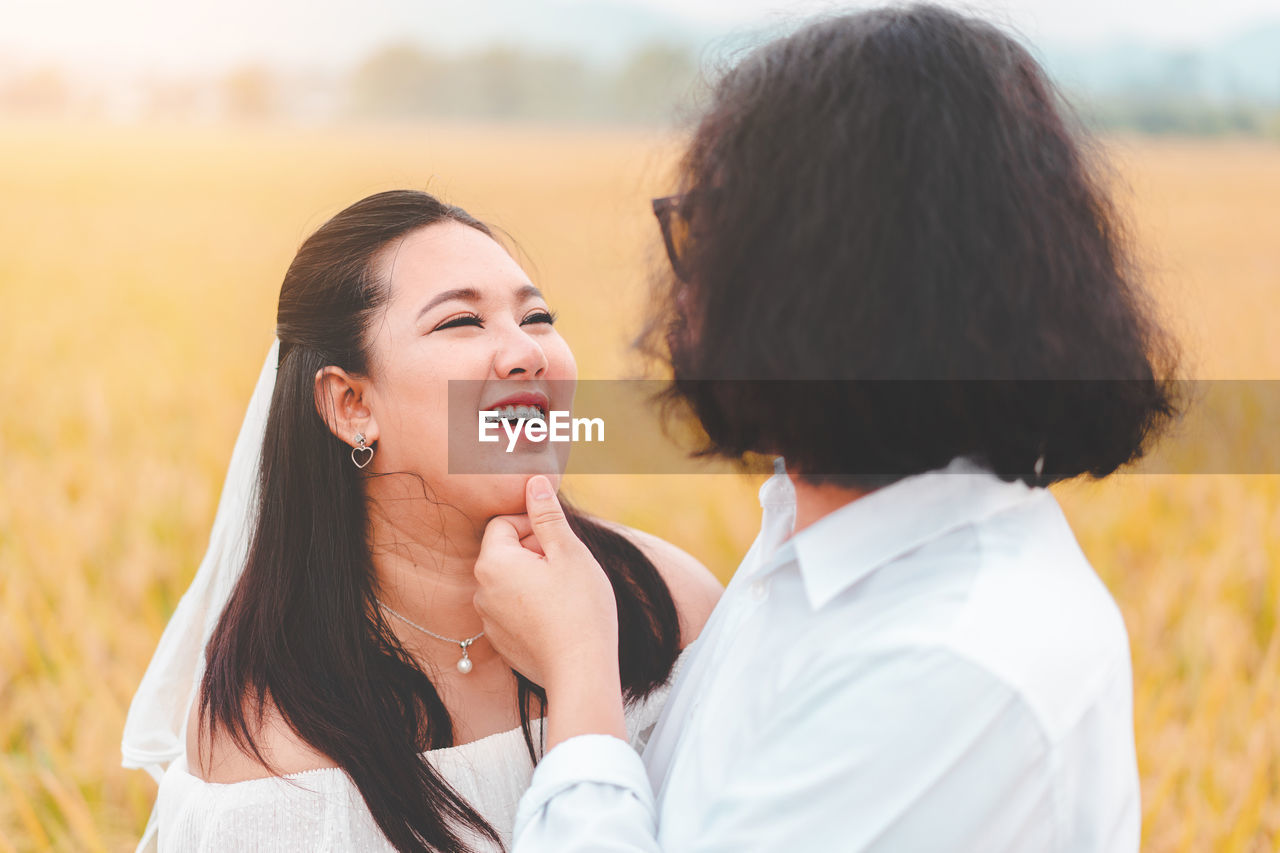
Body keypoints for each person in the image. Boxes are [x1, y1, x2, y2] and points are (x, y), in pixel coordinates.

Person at [472, 5, 1178, 851]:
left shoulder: (952, 665)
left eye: (709, 230)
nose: (687, 282)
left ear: (816, 284)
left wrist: (578, 672)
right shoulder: (811, 541)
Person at [120, 189, 724, 852]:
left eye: (539, 316)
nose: (525, 352)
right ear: (351, 403)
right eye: (462, 322)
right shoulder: (270, 752)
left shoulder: (670, 605)